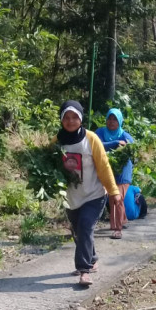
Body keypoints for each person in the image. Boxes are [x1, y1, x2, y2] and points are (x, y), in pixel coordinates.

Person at [55, 100, 121, 287]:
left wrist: (114, 191)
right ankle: (92, 257)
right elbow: (48, 165)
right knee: (79, 230)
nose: (70, 121)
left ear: (81, 118)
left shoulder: (91, 139)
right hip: (71, 196)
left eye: (74, 117)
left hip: (94, 194)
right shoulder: (57, 142)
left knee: (85, 226)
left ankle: (84, 270)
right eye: (66, 118)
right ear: (61, 120)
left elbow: (104, 166)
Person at [96, 108, 134, 239]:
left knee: (118, 198)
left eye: (115, 119)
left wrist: (126, 144)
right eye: (109, 118)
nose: (111, 122)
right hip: (108, 169)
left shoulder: (124, 134)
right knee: (112, 198)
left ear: (120, 122)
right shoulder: (101, 132)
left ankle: (118, 229)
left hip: (123, 170)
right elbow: (98, 144)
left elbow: (132, 145)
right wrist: (115, 143)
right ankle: (120, 221)